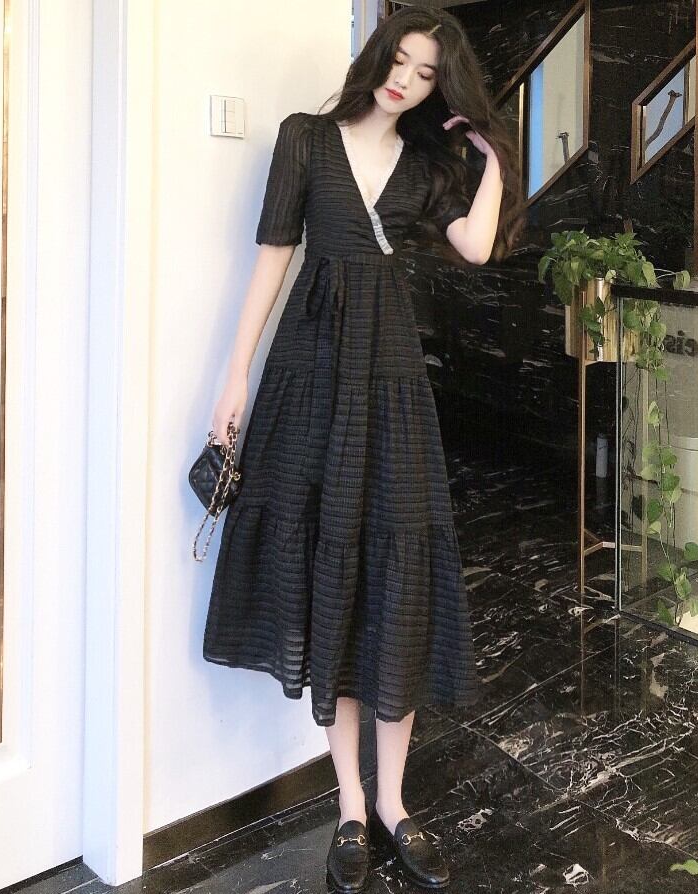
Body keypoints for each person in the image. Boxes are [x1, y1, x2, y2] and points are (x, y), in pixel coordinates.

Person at [202, 6, 524, 890]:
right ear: (378, 54)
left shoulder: (427, 164)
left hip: (390, 380)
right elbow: (274, 256)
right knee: (331, 578)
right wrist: (235, 377)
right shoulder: (304, 139)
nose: (406, 82)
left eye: (426, 74)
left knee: (398, 583)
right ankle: (351, 805)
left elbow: (476, 246)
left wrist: (494, 158)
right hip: (309, 372)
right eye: (400, 62)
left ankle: (395, 803)